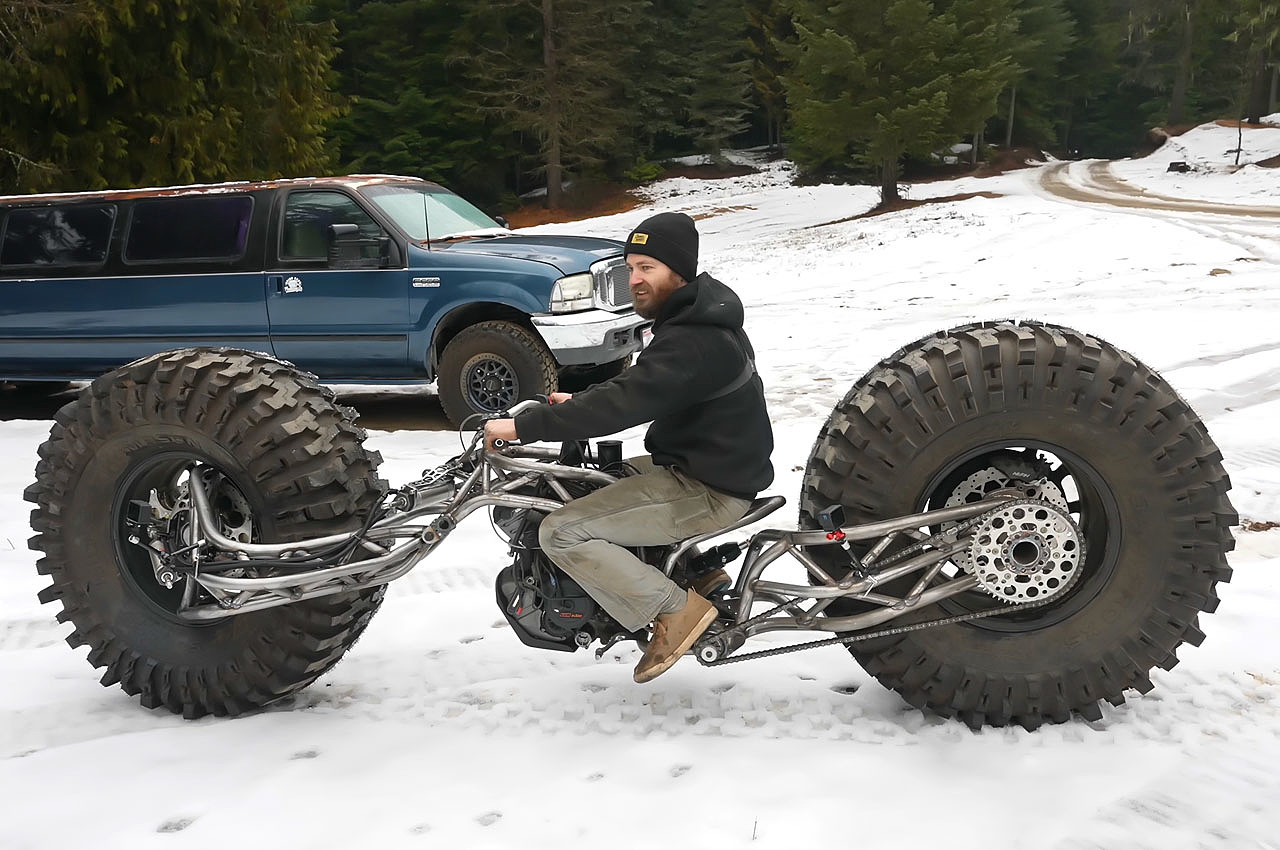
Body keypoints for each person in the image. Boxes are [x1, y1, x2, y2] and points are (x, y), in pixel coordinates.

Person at [484, 211, 773, 682]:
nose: (634, 280)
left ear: (679, 272)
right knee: (578, 484)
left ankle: (674, 612)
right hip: (700, 468)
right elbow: (645, 387)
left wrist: (526, 427)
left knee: (561, 532)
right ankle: (697, 574)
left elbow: (626, 402)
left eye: (648, 268)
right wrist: (578, 402)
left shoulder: (695, 339)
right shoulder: (694, 322)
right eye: (631, 268)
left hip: (708, 488)